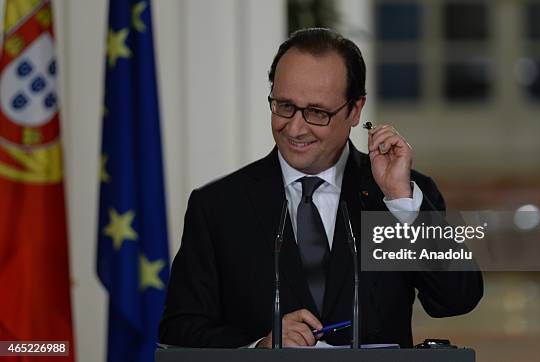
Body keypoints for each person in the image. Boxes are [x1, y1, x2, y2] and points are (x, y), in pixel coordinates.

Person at [158, 28, 482, 348]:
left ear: (355, 111)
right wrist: (260, 347)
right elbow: (180, 329)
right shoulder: (218, 207)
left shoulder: (399, 195)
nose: (296, 128)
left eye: (316, 112)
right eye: (285, 106)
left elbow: (456, 299)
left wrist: (401, 202)